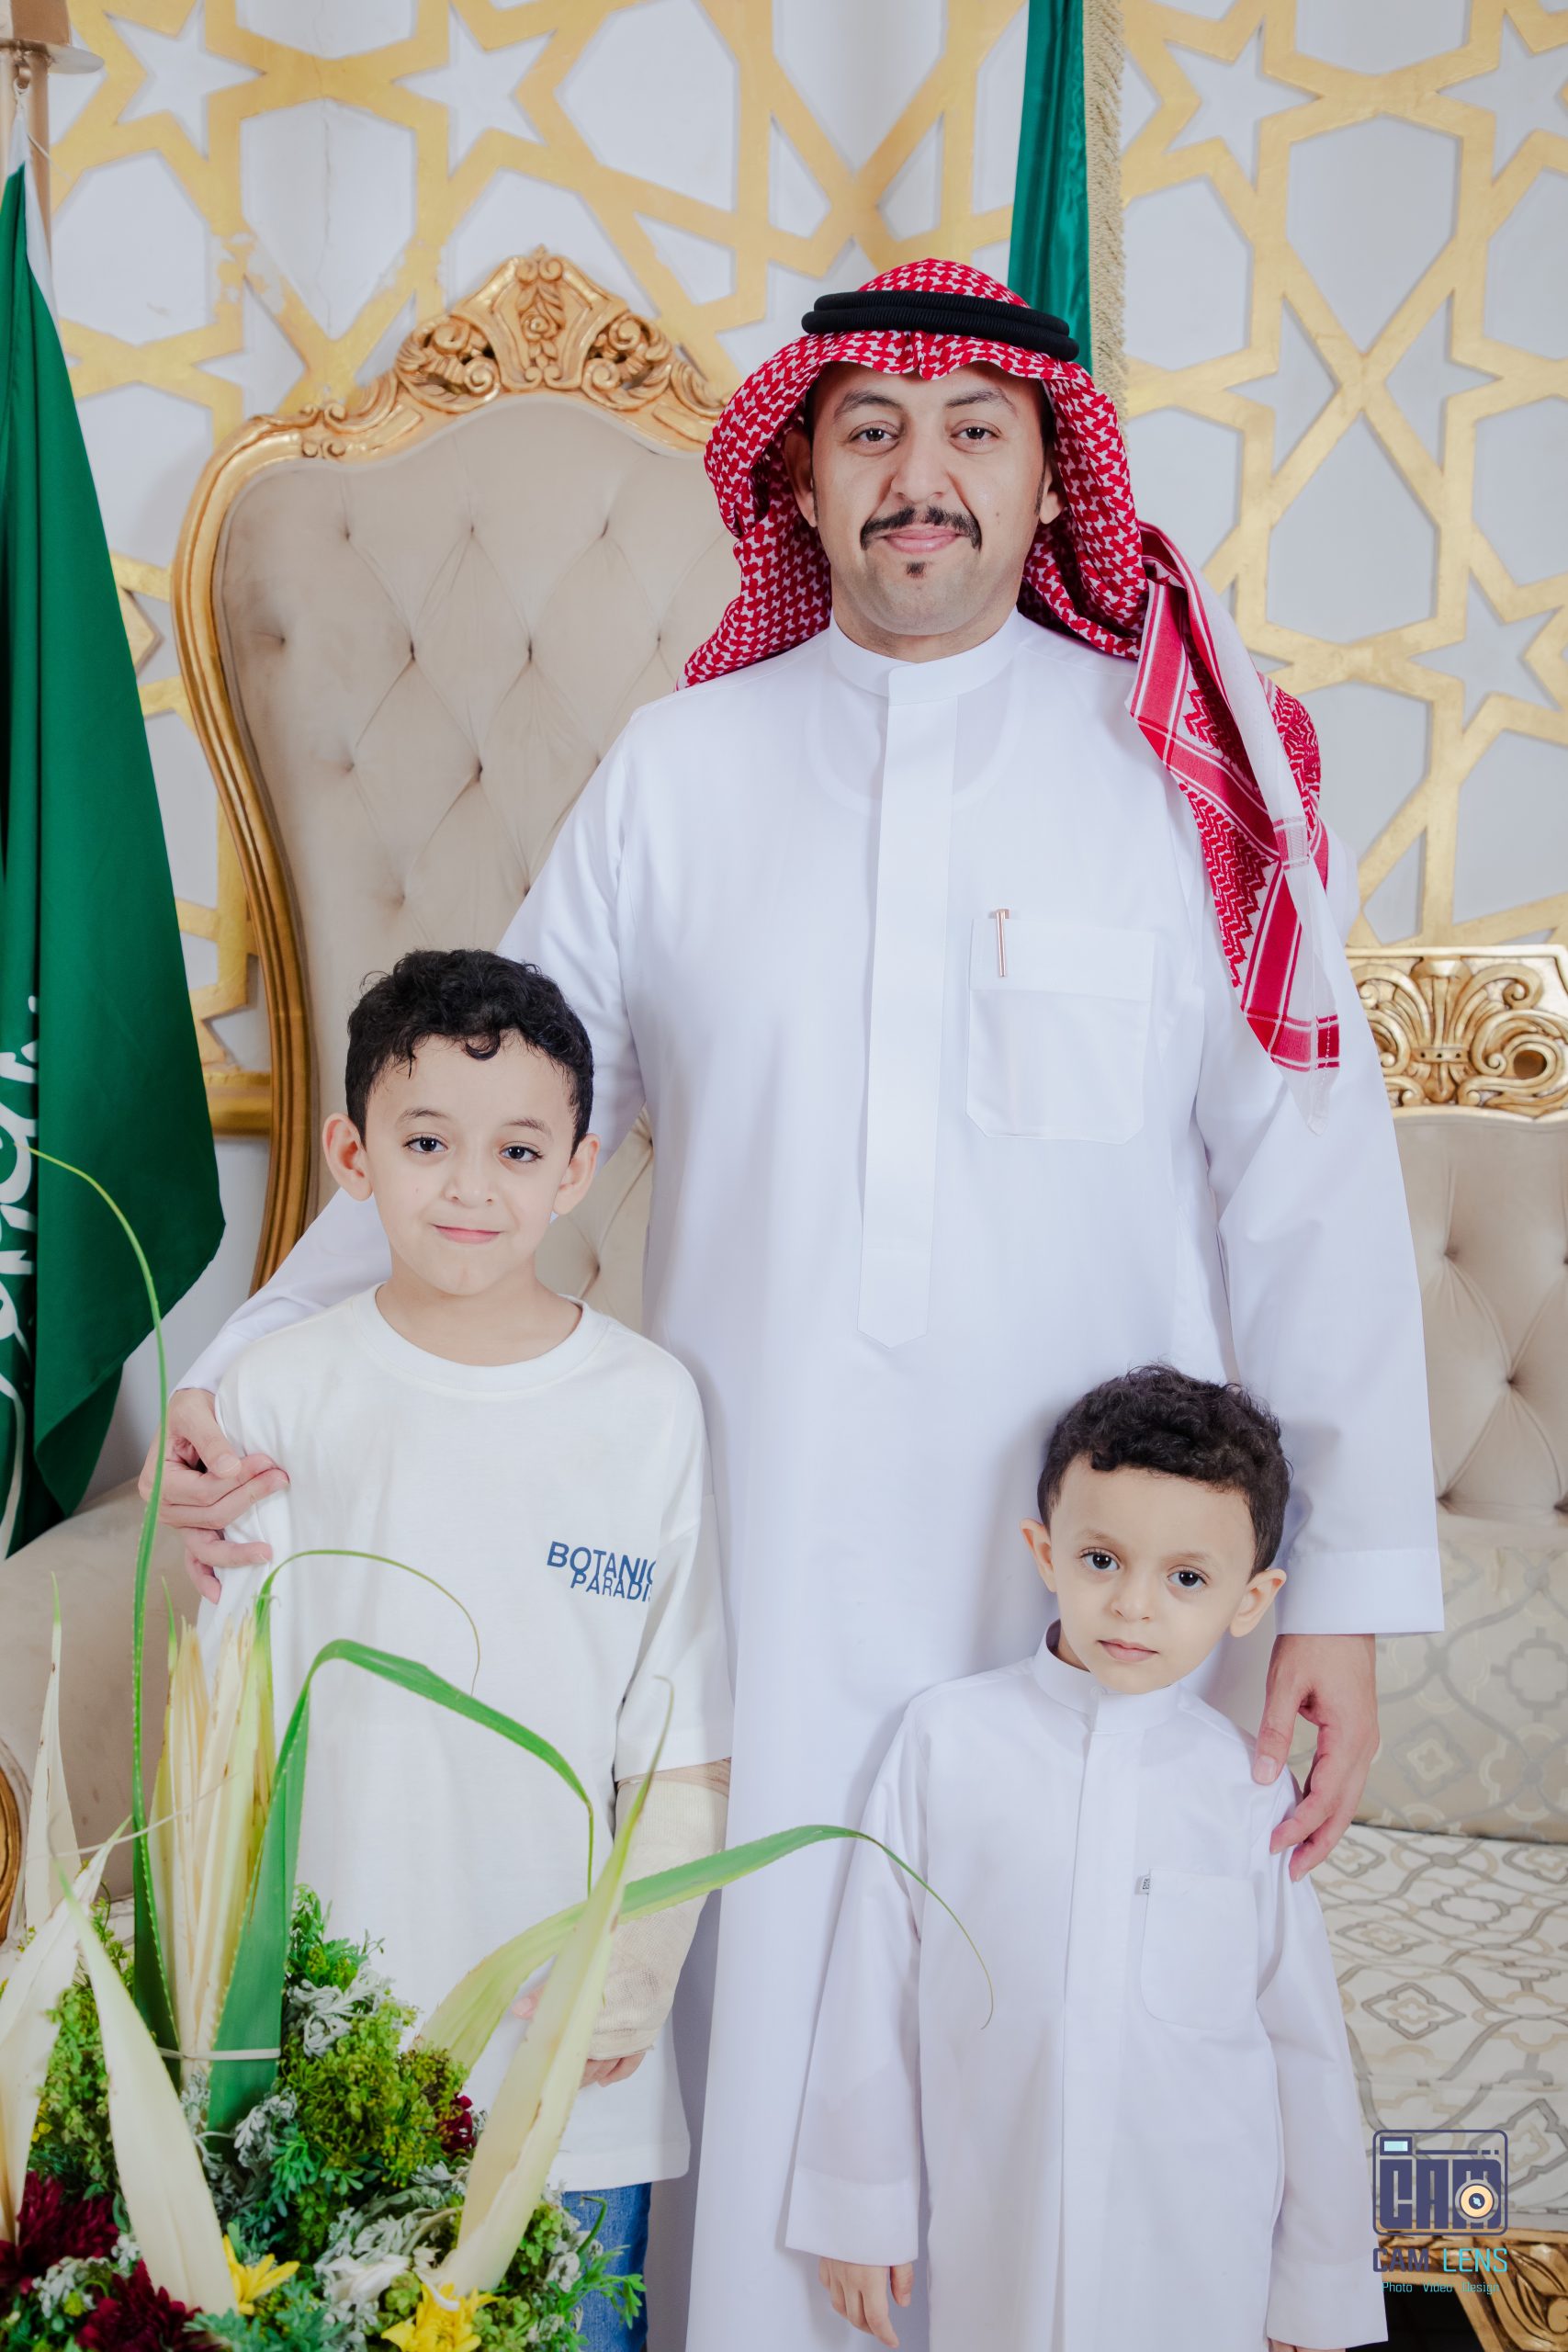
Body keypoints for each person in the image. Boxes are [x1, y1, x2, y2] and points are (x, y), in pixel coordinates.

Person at [147, 261, 1440, 2351]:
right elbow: (482, 1122)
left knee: (1075, 2081)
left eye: (973, 431)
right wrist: (239, 1383)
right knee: (756, 1995)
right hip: (753, 1547)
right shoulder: (681, 770)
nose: (920, 474)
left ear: (1051, 481)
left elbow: (1309, 1187)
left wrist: (1343, 1596)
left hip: (1099, 1584)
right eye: (870, 431)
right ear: (803, 481)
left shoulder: (1180, 772)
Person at [195, 948, 733, 2352]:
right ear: (353, 1156)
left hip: (568, 2076)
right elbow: (222, 1739)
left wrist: (630, 1971)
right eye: (426, 1142)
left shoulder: (647, 1407)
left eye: (517, 1150)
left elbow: (680, 1743)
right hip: (329, 2055)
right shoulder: (278, 1394)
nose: (469, 1187)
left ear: (576, 1170)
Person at [793, 1366, 1387, 2352]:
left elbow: (1304, 2044)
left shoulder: (1247, 1788)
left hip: (1197, 2239)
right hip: (1001, 2216)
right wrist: (859, 2209)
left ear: (1252, 1600)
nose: (1134, 1606)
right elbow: (873, 1981)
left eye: (1187, 1578)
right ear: (1045, 1551)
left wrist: (1317, 2294)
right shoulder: (947, 1741)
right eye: (1102, 1559)